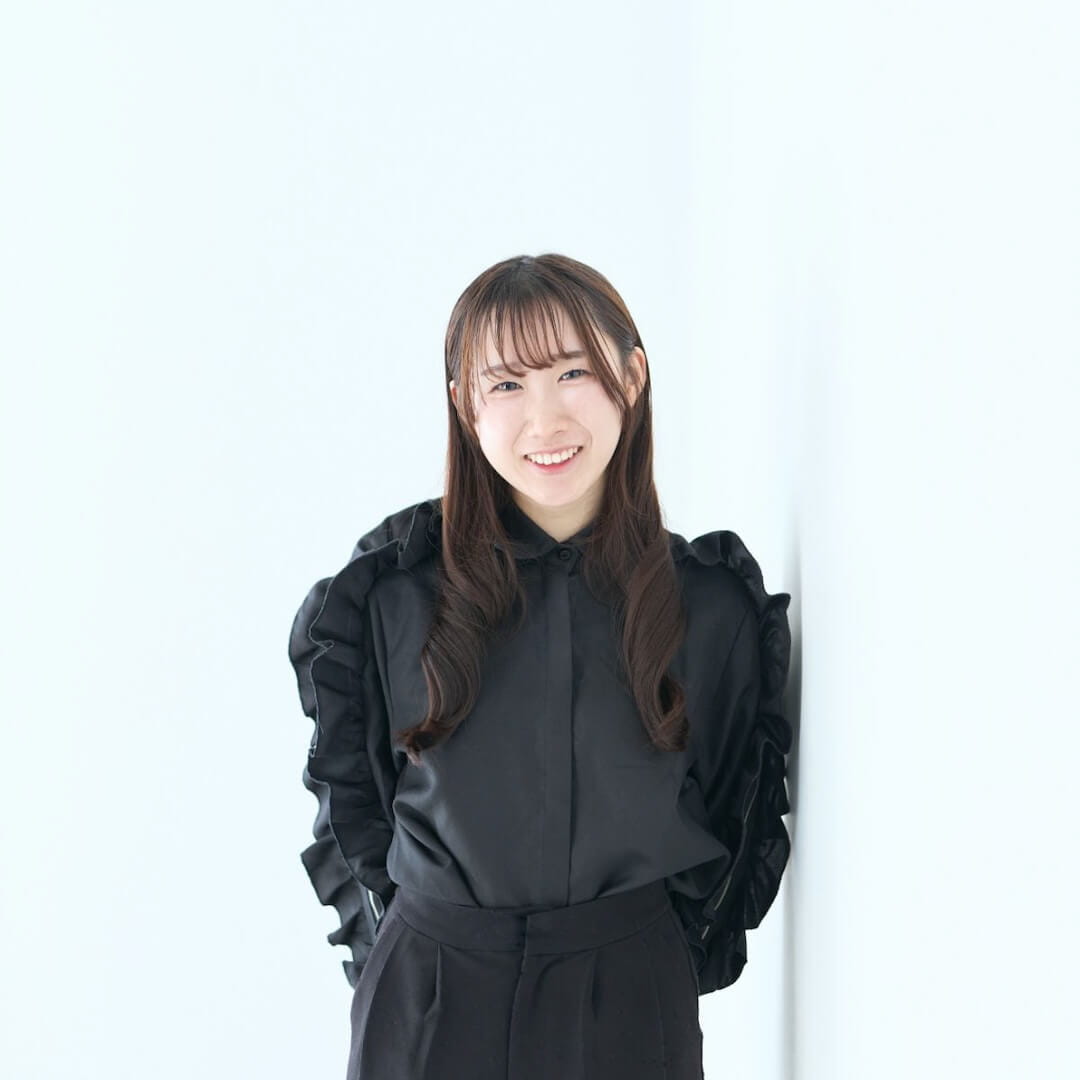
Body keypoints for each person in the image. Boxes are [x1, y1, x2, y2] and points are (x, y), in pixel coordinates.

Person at [287, 252, 794, 1080]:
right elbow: (353, 799)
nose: (545, 419)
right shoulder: (392, 593)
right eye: (508, 385)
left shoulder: (710, 607)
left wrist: (646, 953)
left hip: (629, 990)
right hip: (431, 991)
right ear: (465, 404)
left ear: (632, 376)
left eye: (573, 373)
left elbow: (737, 810)